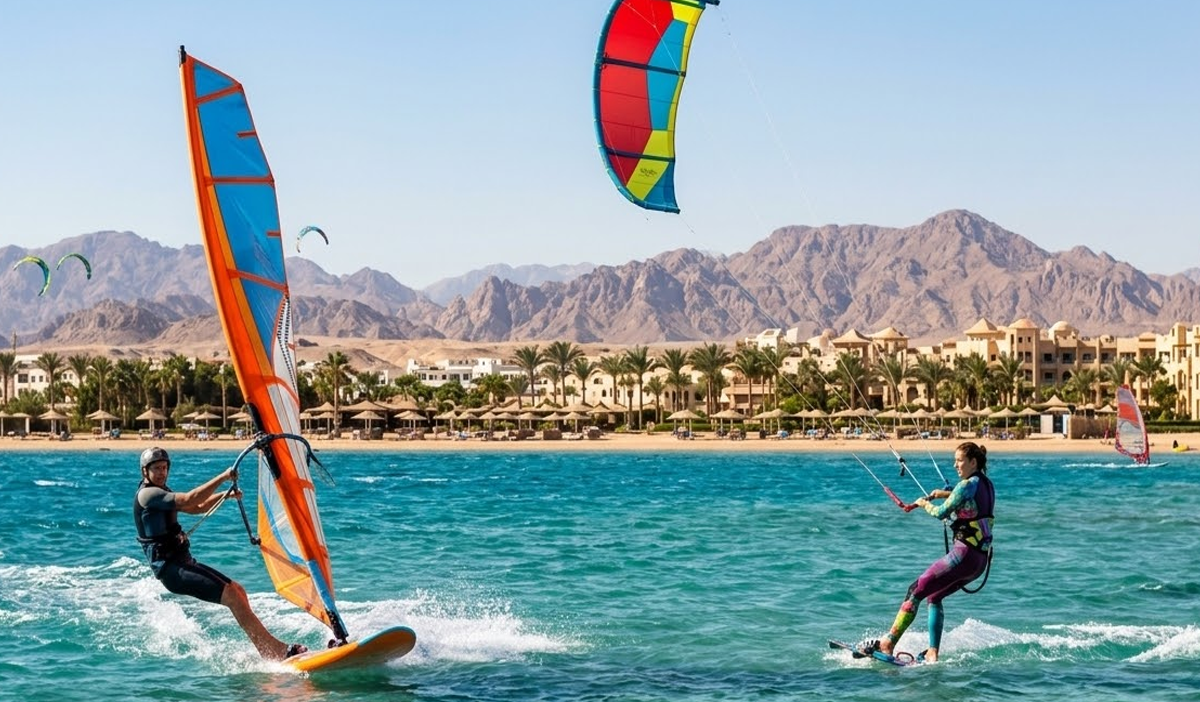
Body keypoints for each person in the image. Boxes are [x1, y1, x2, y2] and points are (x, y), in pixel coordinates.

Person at [133, 446, 308, 660]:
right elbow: (189, 499)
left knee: (238, 591)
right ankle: (275, 651)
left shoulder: (162, 493)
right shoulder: (148, 495)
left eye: (164, 468)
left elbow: (196, 508)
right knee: (232, 596)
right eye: (156, 469)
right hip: (172, 570)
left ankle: (267, 648)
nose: (161, 472)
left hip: (183, 562)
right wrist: (223, 477)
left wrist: (224, 496)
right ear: (145, 472)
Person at [869, 441, 994, 663]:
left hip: (963, 556)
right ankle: (933, 653)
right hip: (979, 563)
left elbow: (941, 514)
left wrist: (923, 504)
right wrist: (944, 493)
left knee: (915, 591)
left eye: (959, 461)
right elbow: (972, 502)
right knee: (934, 596)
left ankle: (888, 643)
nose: (955, 465)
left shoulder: (966, 485)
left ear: (973, 462)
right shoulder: (986, 484)